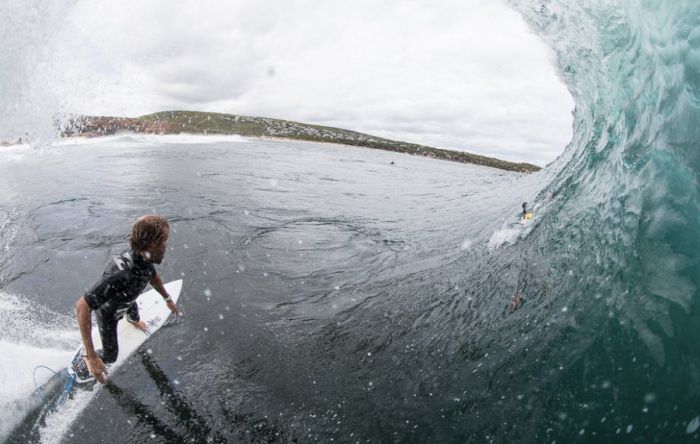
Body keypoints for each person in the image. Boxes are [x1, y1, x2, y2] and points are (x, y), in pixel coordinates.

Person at [72, 215, 177, 384]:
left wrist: (167, 298)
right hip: (109, 313)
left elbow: (152, 276)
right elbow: (82, 306)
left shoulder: (145, 260)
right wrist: (91, 356)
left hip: (127, 300)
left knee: (133, 311)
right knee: (111, 356)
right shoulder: (121, 273)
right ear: (151, 244)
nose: (166, 247)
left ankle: (132, 319)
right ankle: (86, 362)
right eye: (164, 242)